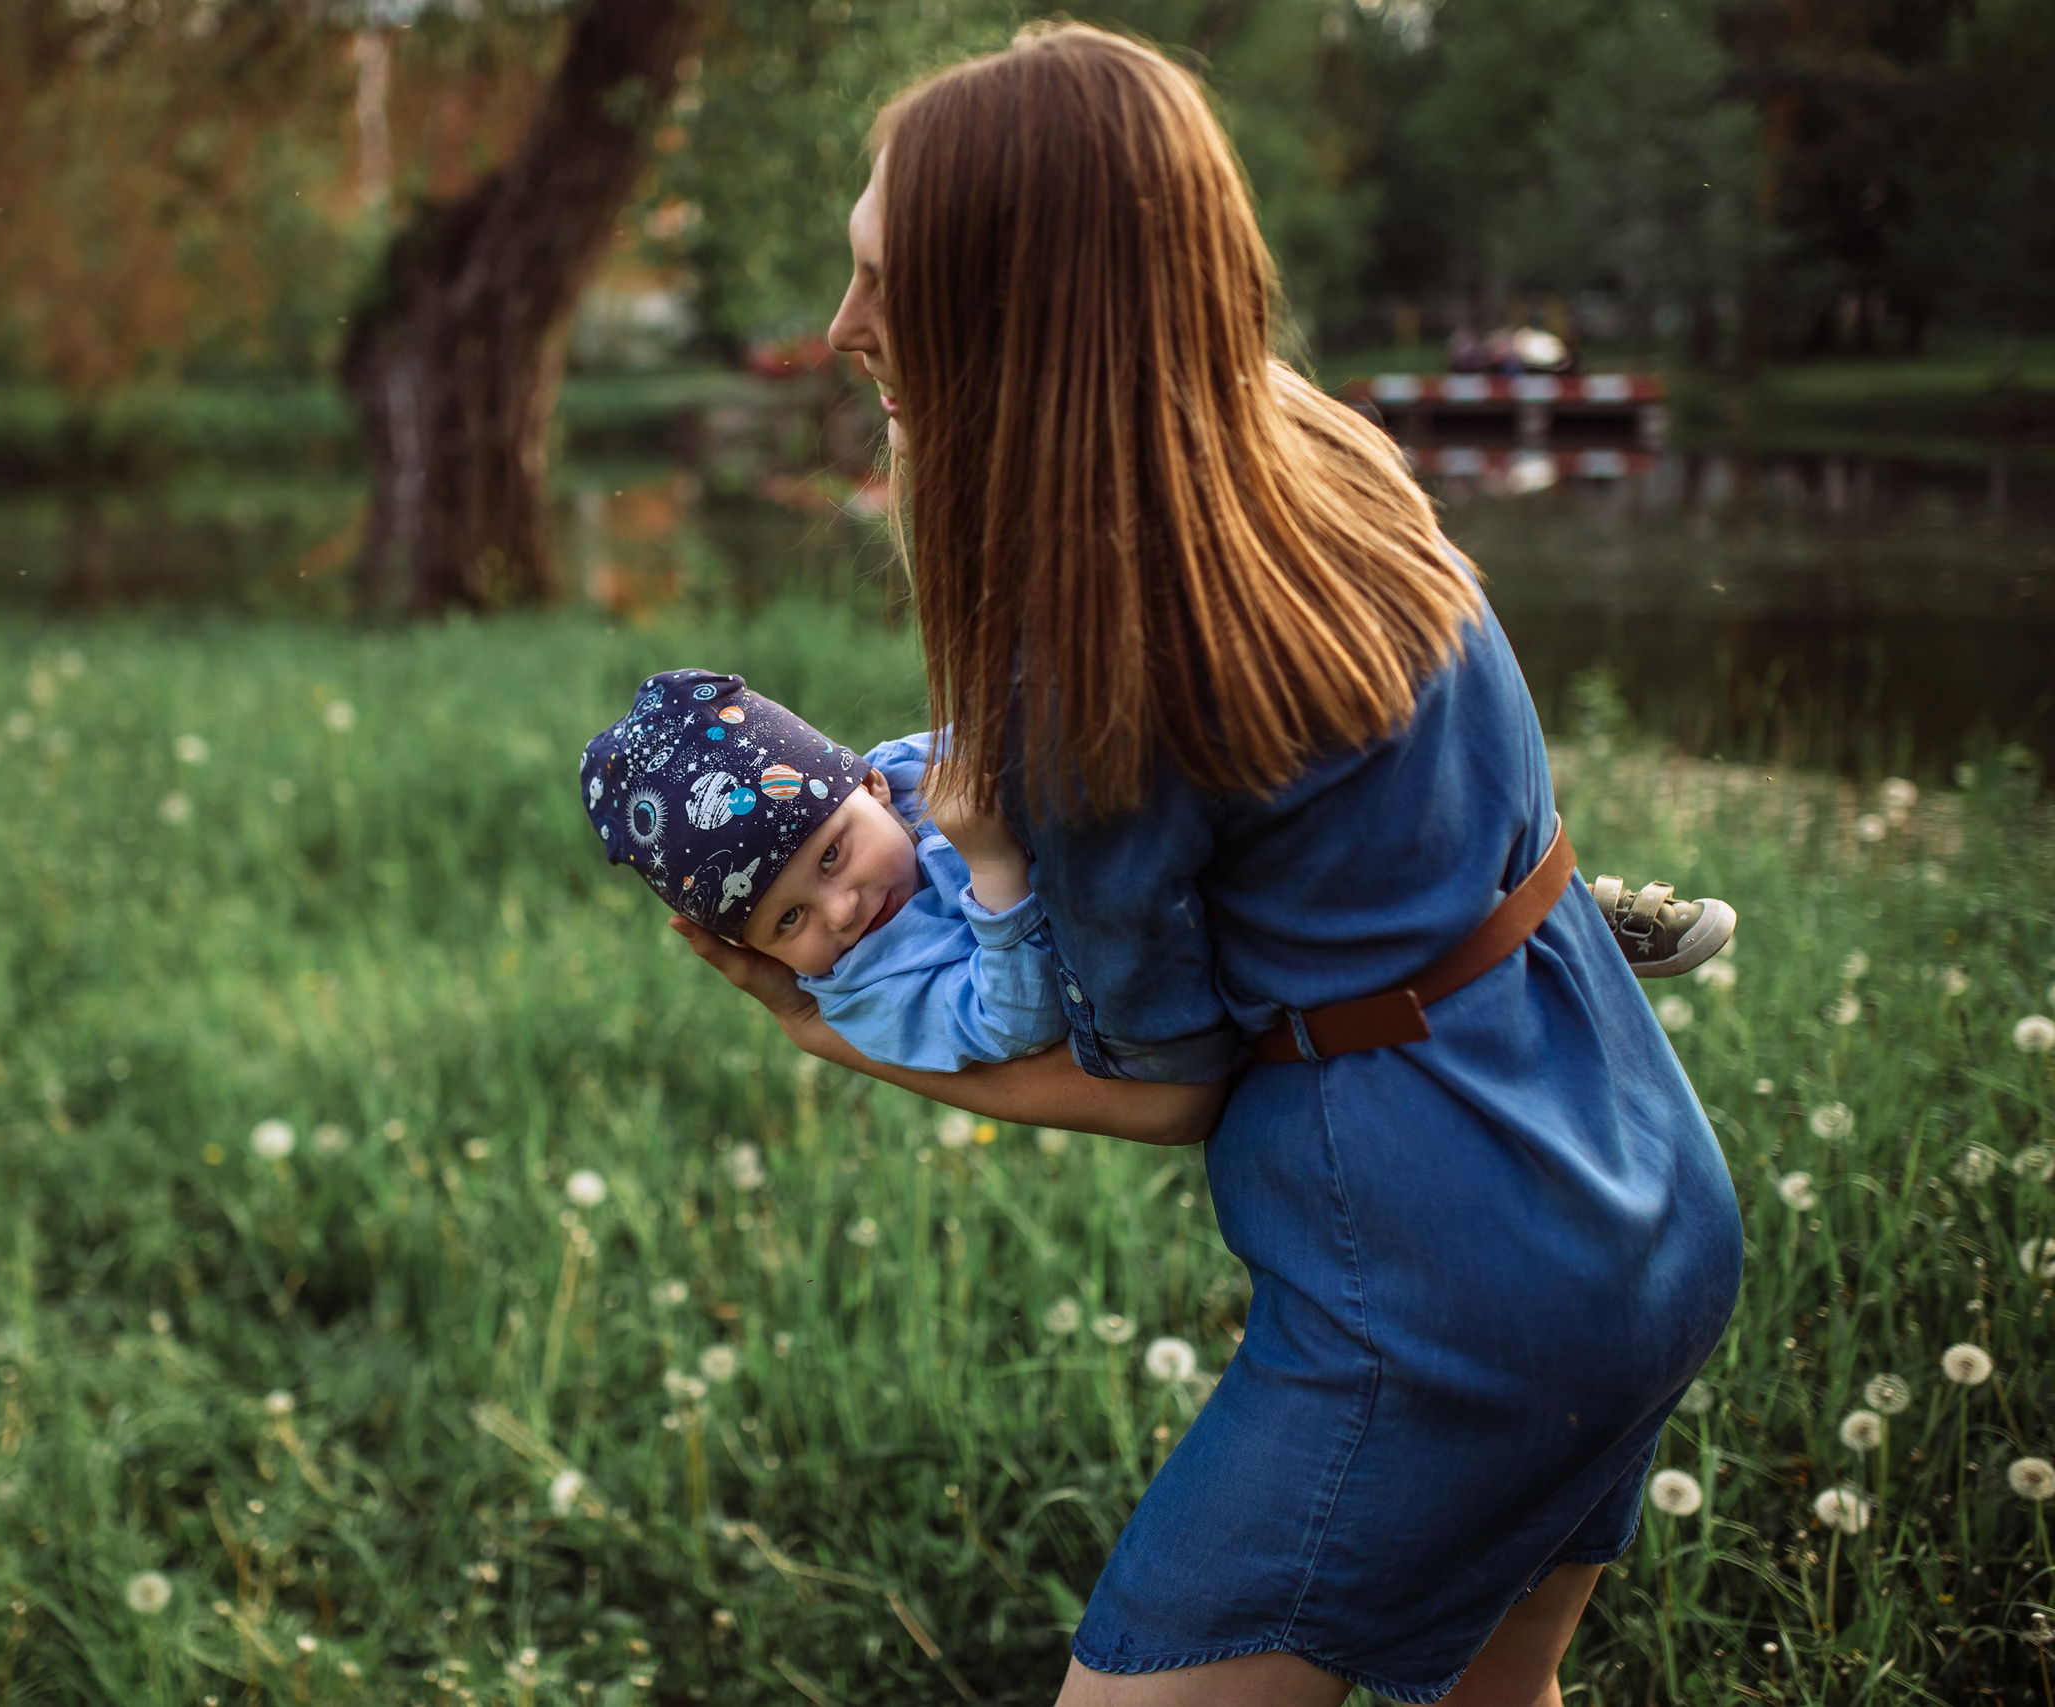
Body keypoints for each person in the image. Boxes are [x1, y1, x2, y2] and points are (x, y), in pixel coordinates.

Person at [667, 25, 1743, 1707]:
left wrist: (839, 1032)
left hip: (1455, 1284)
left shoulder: (1090, 656)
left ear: (1010, 305)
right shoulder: (1303, 450)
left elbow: (1171, 1085)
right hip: (1643, 1179)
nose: (841, 327)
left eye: (886, 276)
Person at [580, 669, 1064, 1073]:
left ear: (871, 785)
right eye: (788, 919)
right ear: (755, 948)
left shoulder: (913, 766)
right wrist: (995, 865)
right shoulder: (867, 993)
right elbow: (1018, 1022)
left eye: (831, 856)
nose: (840, 912)